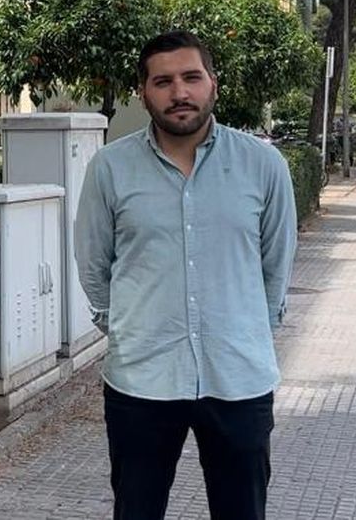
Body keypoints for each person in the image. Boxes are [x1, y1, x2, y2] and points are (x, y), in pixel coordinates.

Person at [75, 30, 297, 520]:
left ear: (213, 83)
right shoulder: (110, 169)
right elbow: (93, 263)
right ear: (143, 92)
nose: (179, 93)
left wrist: (250, 331)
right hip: (142, 380)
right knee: (136, 510)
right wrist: (125, 329)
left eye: (191, 77)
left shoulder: (263, 164)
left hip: (238, 377)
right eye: (163, 82)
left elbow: (276, 263)